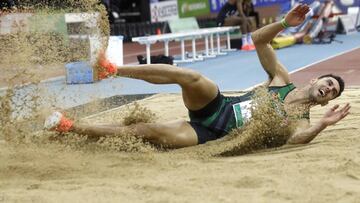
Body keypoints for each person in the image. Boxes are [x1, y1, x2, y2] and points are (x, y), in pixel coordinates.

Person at [44, 4, 350, 149]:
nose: (328, 89)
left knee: (148, 131)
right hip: (217, 107)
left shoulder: (302, 121)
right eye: (328, 83)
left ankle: (70, 127)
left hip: (212, 134)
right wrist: (285, 22)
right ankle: (112, 69)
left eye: (333, 92)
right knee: (190, 76)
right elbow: (258, 39)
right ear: (313, 81)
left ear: (327, 102)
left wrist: (322, 126)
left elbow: (297, 139)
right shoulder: (282, 80)